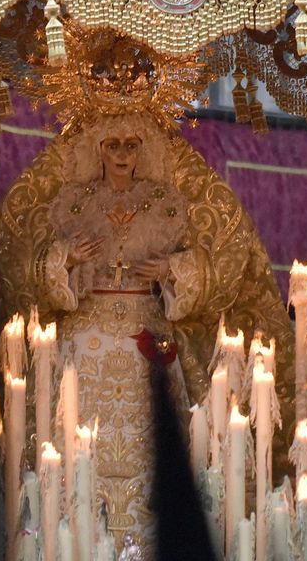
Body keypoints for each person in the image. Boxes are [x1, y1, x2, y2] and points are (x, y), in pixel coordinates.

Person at [35, 113, 210, 537]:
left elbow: (200, 270)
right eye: (113, 145)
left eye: (131, 144)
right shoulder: (73, 202)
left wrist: (171, 267)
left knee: (147, 438)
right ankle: (78, 535)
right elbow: (42, 271)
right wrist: (68, 259)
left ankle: (148, 539)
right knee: (80, 436)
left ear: (143, 149)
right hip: (86, 335)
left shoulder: (166, 202)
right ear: (96, 149)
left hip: (144, 331)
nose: (122, 155)